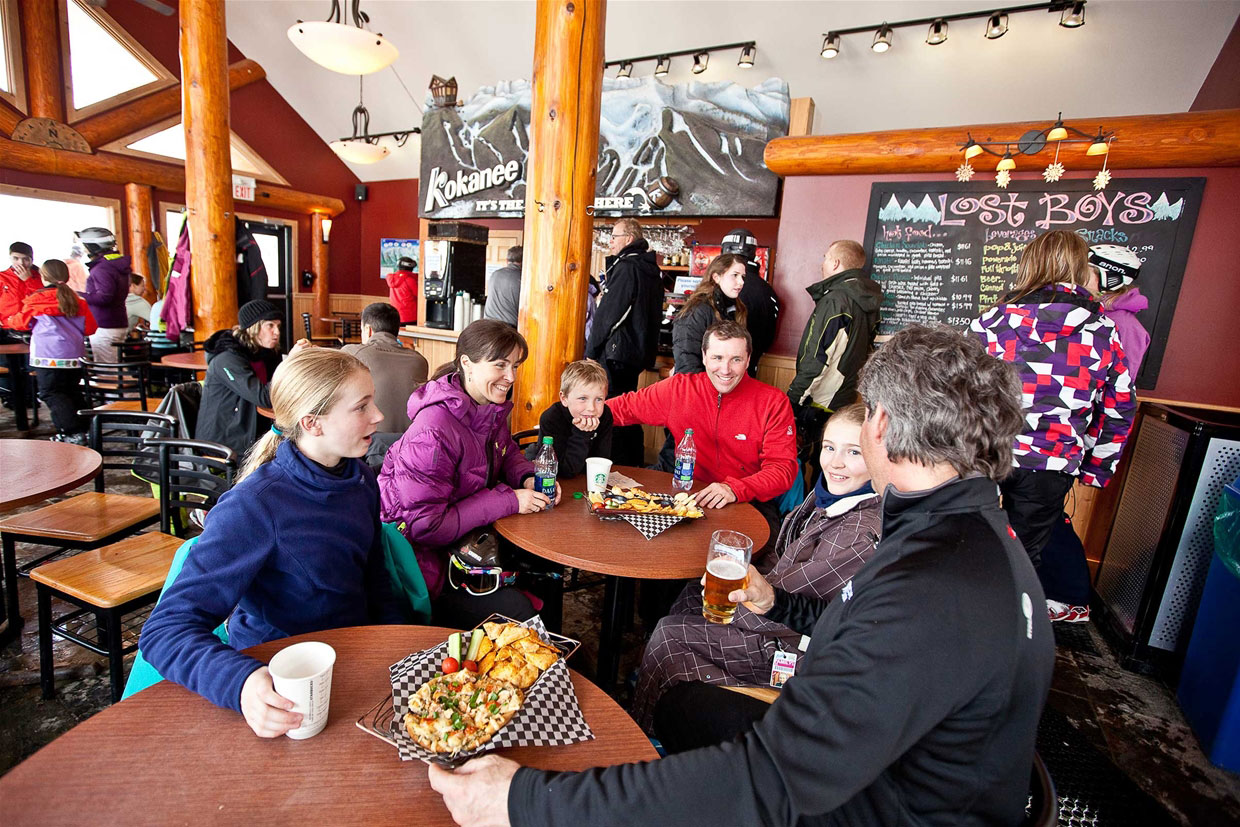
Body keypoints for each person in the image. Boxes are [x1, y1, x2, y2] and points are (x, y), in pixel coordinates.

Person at [428, 324, 1056, 827]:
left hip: (867, 801)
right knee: (680, 692)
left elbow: (773, 782)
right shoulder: (976, 539)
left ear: (882, 425)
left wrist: (524, 802)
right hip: (894, 770)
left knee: (674, 687)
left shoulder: (930, 586)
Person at [139, 349, 404, 738]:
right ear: (312, 423)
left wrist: (398, 648)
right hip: (286, 683)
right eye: (362, 406)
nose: (378, 415)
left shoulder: (361, 480)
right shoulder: (255, 506)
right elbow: (165, 630)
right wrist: (242, 684)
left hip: (355, 661)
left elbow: (374, 578)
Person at [630, 402, 880, 732]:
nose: (835, 462)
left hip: (794, 651)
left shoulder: (858, 532)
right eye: (830, 447)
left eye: (853, 453)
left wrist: (718, 613)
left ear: (879, 457)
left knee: (668, 634)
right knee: (692, 592)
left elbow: (791, 611)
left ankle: (642, 735)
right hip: (777, 609)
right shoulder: (830, 496)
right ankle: (658, 681)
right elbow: (785, 555)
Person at [971, 230, 1136, 622]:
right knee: (1023, 559)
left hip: (984, 452)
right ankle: (1007, 638)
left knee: (967, 540)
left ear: (1027, 265)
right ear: (1083, 269)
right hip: (1052, 460)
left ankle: (960, 626)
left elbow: (955, 391)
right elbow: (1119, 407)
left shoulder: (990, 324)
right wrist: (1097, 467)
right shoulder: (1101, 330)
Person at [379, 320, 560, 628]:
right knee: (516, 607)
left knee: (548, 571)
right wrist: (509, 501)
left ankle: (557, 661)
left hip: (468, 544)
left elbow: (507, 453)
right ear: (467, 363)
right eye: (500, 365)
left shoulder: (487, 406)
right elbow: (425, 527)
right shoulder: (434, 430)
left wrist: (526, 477)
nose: (511, 377)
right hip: (426, 568)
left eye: (515, 365)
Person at [606, 321, 797, 544]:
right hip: (684, 493)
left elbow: (783, 469)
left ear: (748, 360)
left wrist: (735, 489)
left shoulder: (773, 402)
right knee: (630, 541)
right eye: (717, 358)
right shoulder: (680, 389)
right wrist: (574, 413)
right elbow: (621, 409)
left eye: (735, 359)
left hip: (745, 500)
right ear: (704, 356)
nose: (725, 370)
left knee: (750, 560)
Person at [786, 239, 883, 483]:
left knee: (818, 466)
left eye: (826, 257)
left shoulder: (836, 300)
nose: (823, 262)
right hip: (844, 397)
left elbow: (817, 357)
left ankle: (810, 517)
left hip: (818, 399)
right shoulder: (867, 299)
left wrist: (793, 400)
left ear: (836, 262)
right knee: (832, 469)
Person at [586, 219, 663, 466]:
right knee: (629, 406)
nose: (610, 242)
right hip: (636, 354)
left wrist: (592, 350)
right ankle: (632, 462)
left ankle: (613, 463)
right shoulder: (651, 269)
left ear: (628, 239)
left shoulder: (627, 267)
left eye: (614, 236)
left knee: (610, 408)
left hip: (617, 353)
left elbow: (609, 313)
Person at [198, 299, 307, 460]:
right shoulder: (226, 359)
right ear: (253, 328)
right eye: (270, 325)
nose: (276, 332)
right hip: (225, 439)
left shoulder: (267, 352)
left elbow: (278, 389)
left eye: (278, 326)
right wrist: (291, 362)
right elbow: (265, 398)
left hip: (254, 427)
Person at [2, 259, 96, 442]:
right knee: (71, 391)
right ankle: (86, 430)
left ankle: (71, 433)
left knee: (51, 393)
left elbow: (21, 323)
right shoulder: (78, 300)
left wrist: (7, 321)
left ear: (43, 277)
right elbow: (90, 328)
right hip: (75, 355)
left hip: (47, 356)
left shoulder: (36, 300)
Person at [343, 302, 429, 465]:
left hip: (371, 450)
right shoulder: (419, 361)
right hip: (412, 448)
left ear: (367, 329)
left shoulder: (353, 354)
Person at [533, 359, 613, 478]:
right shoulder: (551, 418)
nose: (591, 408)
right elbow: (563, 472)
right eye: (582, 398)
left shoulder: (605, 415)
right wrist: (582, 433)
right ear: (564, 398)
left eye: (599, 399)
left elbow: (600, 463)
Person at [671, 253, 746, 374]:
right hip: (699, 387)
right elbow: (687, 363)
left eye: (743, 276)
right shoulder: (697, 309)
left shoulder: (735, 308)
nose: (741, 282)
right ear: (716, 277)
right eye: (735, 275)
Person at [720, 228, 780, 375]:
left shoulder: (723, 287)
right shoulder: (768, 291)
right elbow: (768, 338)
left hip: (721, 371)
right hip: (752, 367)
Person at [1089, 244, 1151, 378]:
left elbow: (1123, 379)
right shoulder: (1083, 309)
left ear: (1110, 279)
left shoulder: (1127, 326)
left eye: (1086, 272)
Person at [77, 227, 132, 363]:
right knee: (116, 367)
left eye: (85, 246)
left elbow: (105, 297)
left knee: (107, 371)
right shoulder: (114, 264)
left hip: (104, 325)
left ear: (92, 246)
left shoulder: (101, 269)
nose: (84, 250)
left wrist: (78, 295)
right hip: (117, 322)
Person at [1, 241, 41, 321]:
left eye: (25, 259)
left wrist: (29, 280)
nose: (21, 263)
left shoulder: (41, 276)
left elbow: (43, 298)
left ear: (31, 260)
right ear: (10, 258)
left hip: (33, 325)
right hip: (6, 325)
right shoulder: (2, 277)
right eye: (16, 258)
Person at [483, 246, 523, 328]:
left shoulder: (495, 274)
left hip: (488, 325)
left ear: (507, 260)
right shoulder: (523, 278)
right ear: (523, 261)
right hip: (508, 328)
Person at [387, 256, 418, 326]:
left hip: (396, 315)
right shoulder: (410, 280)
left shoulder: (391, 278)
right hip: (411, 316)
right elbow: (419, 295)